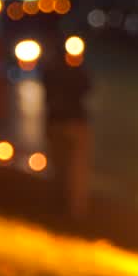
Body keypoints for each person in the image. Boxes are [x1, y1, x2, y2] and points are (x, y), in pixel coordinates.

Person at [41, 31, 92, 219]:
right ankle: (72, 209)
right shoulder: (67, 71)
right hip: (70, 123)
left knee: (63, 168)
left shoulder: (52, 70)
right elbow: (87, 87)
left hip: (61, 122)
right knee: (73, 169)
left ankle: (66, 207)